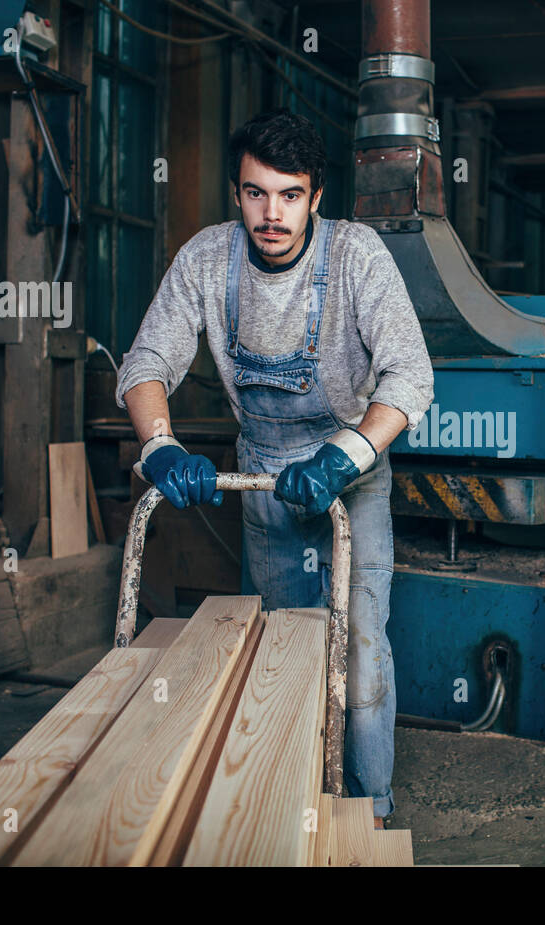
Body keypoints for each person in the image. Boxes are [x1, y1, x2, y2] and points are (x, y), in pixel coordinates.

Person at [115, 108, 434, 829]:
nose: (273, 213)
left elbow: (410, 378)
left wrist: (343, 457)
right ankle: (293, 801)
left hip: (349, 475)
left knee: (358, 645)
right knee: (284, 639)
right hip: (259, 473)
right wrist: (161, 445)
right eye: (257, 193)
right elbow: (147, 362)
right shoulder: (205, 260)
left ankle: (371, 810)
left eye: (290, 195)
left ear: (317, 196)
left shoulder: (357, 257)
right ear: (237, 193)